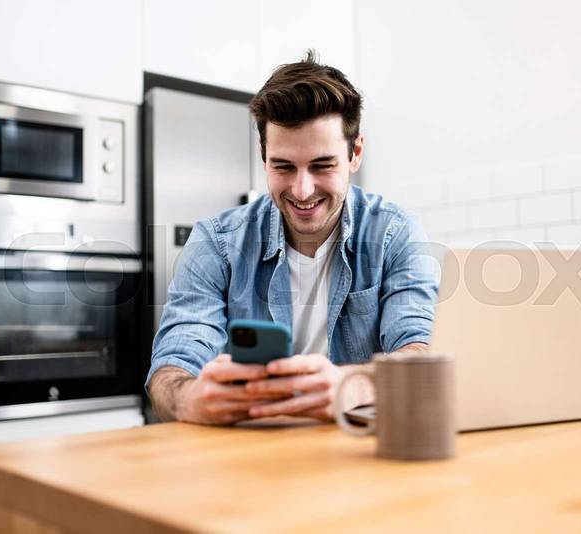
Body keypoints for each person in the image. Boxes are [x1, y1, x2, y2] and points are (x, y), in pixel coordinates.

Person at [147, 50, 439, 425]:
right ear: (263, 156)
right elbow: (170, 370)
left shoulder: (395, 234)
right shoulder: (214, 243)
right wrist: (189, 399)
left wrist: (355, 385)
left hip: (356, 456)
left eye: (322, 165)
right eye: (283, 166)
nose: (302, 191)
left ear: (356, 153)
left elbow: (420, 354)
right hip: (246, 458)